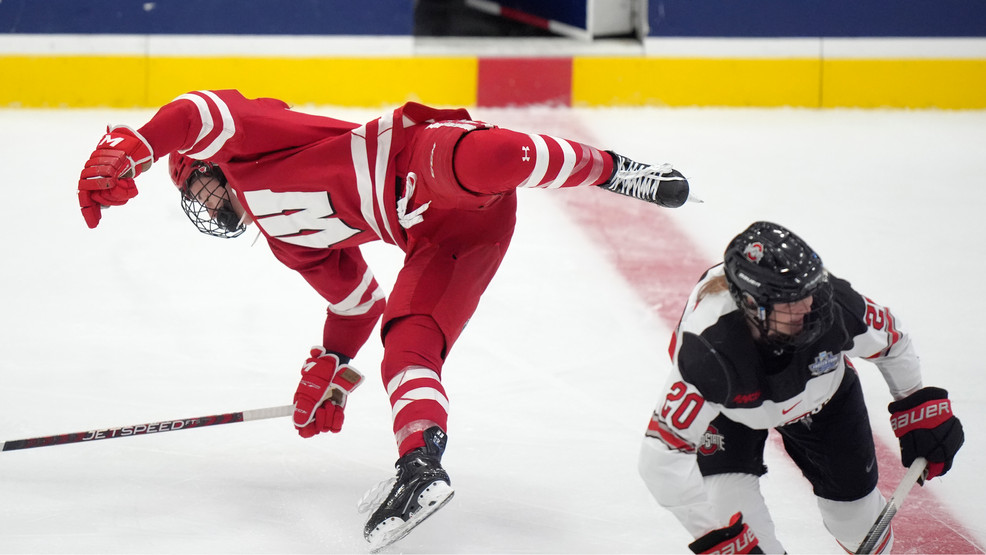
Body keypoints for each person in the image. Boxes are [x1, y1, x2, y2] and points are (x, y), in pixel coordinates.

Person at [76, 89, 692, 551]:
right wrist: (333, 364)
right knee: (406, 348)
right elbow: (355, 302)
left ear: (212, 162)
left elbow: (196, 110)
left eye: (202, 183)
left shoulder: (248, 141)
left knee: (492, 153)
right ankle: (421, 465)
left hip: (420, 159)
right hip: (447, 240)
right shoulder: (287, 243)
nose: (209, 202)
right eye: (198, 200)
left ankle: (615, 170)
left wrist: (138, 146)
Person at [637, 221, 964, 554]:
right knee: (733, 517)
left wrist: (916, 405)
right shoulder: (709, 352)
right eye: (790, 302)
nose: (809, 307)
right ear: (752, 305)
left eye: (810, 292)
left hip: (825, 399)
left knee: (856, 524)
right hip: (730, 415)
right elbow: (660, 460)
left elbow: (892, 341)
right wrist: (713, 535)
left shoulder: (833, 304)